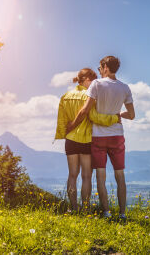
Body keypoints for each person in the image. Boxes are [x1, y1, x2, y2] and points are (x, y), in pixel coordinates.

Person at [67, 56, 135, 219]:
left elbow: (85, 110)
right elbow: (131, 115)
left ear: (105, 67)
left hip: (99, 137)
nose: (99, 70)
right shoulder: (125, 88)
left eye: (100, 67)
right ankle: (123, 213)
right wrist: (118, 114)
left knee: (101, 176)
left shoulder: (97, 84)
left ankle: (106, 212)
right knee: (120, 175)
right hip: (117, 136)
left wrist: (71, 126)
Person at [55, 68, 120, 212]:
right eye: (92, 80)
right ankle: (85, 209)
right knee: (86, 176)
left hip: (70, 140)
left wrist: (63, 134)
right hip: (86, 139)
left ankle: (73, 208)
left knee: (72, 175)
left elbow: (62, 120)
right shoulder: (90, 96)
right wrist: (115, 117)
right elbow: (94, 117)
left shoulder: (65, 96)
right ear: (86, 80)